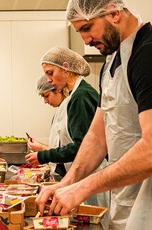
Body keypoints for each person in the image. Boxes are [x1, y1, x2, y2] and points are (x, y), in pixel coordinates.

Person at [36, 1, 152, 229]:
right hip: (126, 197)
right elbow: (98, 137)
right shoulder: (111, 62)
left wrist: (83, 187)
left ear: (114, 12)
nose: (86, 41)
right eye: (80, 32)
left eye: (87, 28)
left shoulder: (147, 54)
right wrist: (68, 182)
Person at [26, 48, 109, 221]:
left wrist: (43, 155)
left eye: (50, 73)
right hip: (84, 176)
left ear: (66, 68)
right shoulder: (75, 96)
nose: (48, 79)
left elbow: (82, 146)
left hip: (91, 175)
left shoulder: (81, 96)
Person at [26, 75, 66, 180]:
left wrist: (42, 154)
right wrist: (40, 147)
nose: (45, 101)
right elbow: (59, 147)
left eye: (46, 96)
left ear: (58, 89)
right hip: (63, 172)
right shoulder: (60, 110)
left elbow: (72, 150)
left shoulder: (69, 109)